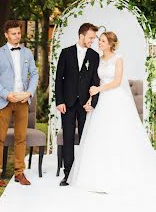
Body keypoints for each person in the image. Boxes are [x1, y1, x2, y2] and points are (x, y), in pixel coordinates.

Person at [68, 31, 156, 211]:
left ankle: (122, 175)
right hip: (102, 102)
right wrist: (90, 99)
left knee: (120, 136)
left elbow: (116, 82)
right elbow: (92, 81)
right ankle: (99, 175)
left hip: (115, 99)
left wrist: (98, 89)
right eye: (98, 40)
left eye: (101, 40)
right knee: (100, 137)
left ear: (110, 43)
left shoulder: (119, 59)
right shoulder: (96, 59)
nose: (99, 43)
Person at [0, 19, 39, 187]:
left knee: (20, 138)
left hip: (23, 101)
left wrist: (29, 92)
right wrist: (6, 94)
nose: (17, 36)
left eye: (18, 33)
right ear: (6, 35)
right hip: (4, 101)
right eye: (13, 33)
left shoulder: (27, 53)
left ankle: (19, 172)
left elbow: (34, 74)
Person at [54, 22, 100, 186]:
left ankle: (84, 172)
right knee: (67, 138)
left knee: (85, 138)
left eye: (94, 38)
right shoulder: (66, 53)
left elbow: (96, 81)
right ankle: (68, 174)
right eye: (90, 38)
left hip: (84, 105)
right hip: (67, 102)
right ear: (81, 36)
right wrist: (59, 101)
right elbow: (59, 79)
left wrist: (92, 103)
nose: (92, 41)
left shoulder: (94, 56)